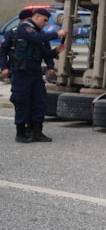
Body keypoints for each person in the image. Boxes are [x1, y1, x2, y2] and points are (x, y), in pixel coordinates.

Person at [6, 8, 65, 143]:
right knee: (22, 102)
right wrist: (57, 33)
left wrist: (56, 51)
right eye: (44, 20)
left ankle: (37, 132)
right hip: (21, 73)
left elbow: (45, 53)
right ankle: (21, 133)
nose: (45, 23)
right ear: (36, 17)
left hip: (35, 73)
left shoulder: (39, 33)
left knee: (39, 102)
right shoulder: (24, 28)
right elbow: (36, 38)